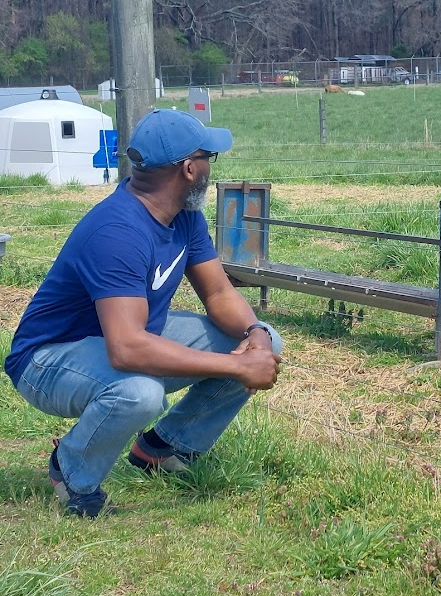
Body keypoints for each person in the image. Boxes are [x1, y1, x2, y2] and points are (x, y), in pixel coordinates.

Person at [4, 108, 283, 518]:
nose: (210, 166)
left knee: (264, 340)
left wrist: (255, 332)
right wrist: (237, 368)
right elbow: (127, 350)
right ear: (190, 168)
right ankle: (72, 471)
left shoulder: (184, 217)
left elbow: (220, 292)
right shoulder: (118, 231)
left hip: (120, 338)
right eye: (209, 157)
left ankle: (164, 447)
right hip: (49, 359)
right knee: (138, 392)